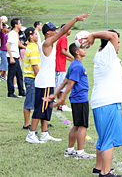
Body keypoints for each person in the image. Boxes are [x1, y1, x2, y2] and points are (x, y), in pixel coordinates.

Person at [26, 14, 88, 144]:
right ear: (48, 33)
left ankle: (44, 133)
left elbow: (62, 32)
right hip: (43, 82)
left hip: (49, 81)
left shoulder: (51, 44)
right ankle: (31, 134)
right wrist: (75, 19)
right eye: (53, 30)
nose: (55, 31)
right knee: (40, 108)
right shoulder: (47, 43)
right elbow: (63, 31)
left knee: (47, 108)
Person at [83, 30, 122, 177]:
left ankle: (98, 167)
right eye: (118, 42)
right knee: (109, 139)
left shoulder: (102, 53)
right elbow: (113, 36)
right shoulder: (108, 52)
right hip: (107, 102)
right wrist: (93, 35)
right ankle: (105, 172)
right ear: (109, 43)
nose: (118, 44)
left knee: (103, 137)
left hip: (102, 102)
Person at [45, 43, 96, 159]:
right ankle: (80, 152)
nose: (84, 50)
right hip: (80, 99)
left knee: (76, 125)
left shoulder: (73, 64)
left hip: (76, 99)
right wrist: (61, 98)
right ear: (77, 52)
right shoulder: (77, 66)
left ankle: (70, 150)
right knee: (83, 125)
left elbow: (64, 81)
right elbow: (70, 83)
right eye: (82, 48)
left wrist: (55, 94)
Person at [22, 27, 40, 130]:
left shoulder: (32, 46)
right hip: (31, 78)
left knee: (33, 101)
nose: (37, 35)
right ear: (30, 36)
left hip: (31, 78)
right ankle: (26, 124)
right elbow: (35, 67)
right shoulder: (32, 49)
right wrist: (39, 78)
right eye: (35, 34)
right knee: (29, 102)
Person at [56, 24, 74, 112]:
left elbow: (60, 53)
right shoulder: (64, 38)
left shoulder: (61, 38)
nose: (70, 30)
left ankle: (60, 105)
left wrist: (70, 59)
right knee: (62, 86)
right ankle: (62, 105)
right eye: (69, 29)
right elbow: (63, 51)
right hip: (59, 66)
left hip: (60, 64)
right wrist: (73, 58)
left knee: (60, 86)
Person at [6, 18, 26, 98]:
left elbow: (19, 44)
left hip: (16, 56)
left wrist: (27, 48)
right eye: (19, 23)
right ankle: (10, 93)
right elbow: (7, 45)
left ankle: (21, 91)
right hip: (12, 56)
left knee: (19, 74)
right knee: (11, 75)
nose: (20, 25)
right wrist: (11, 57)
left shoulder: (16, 33)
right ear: (15, 25)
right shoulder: (12, 33)